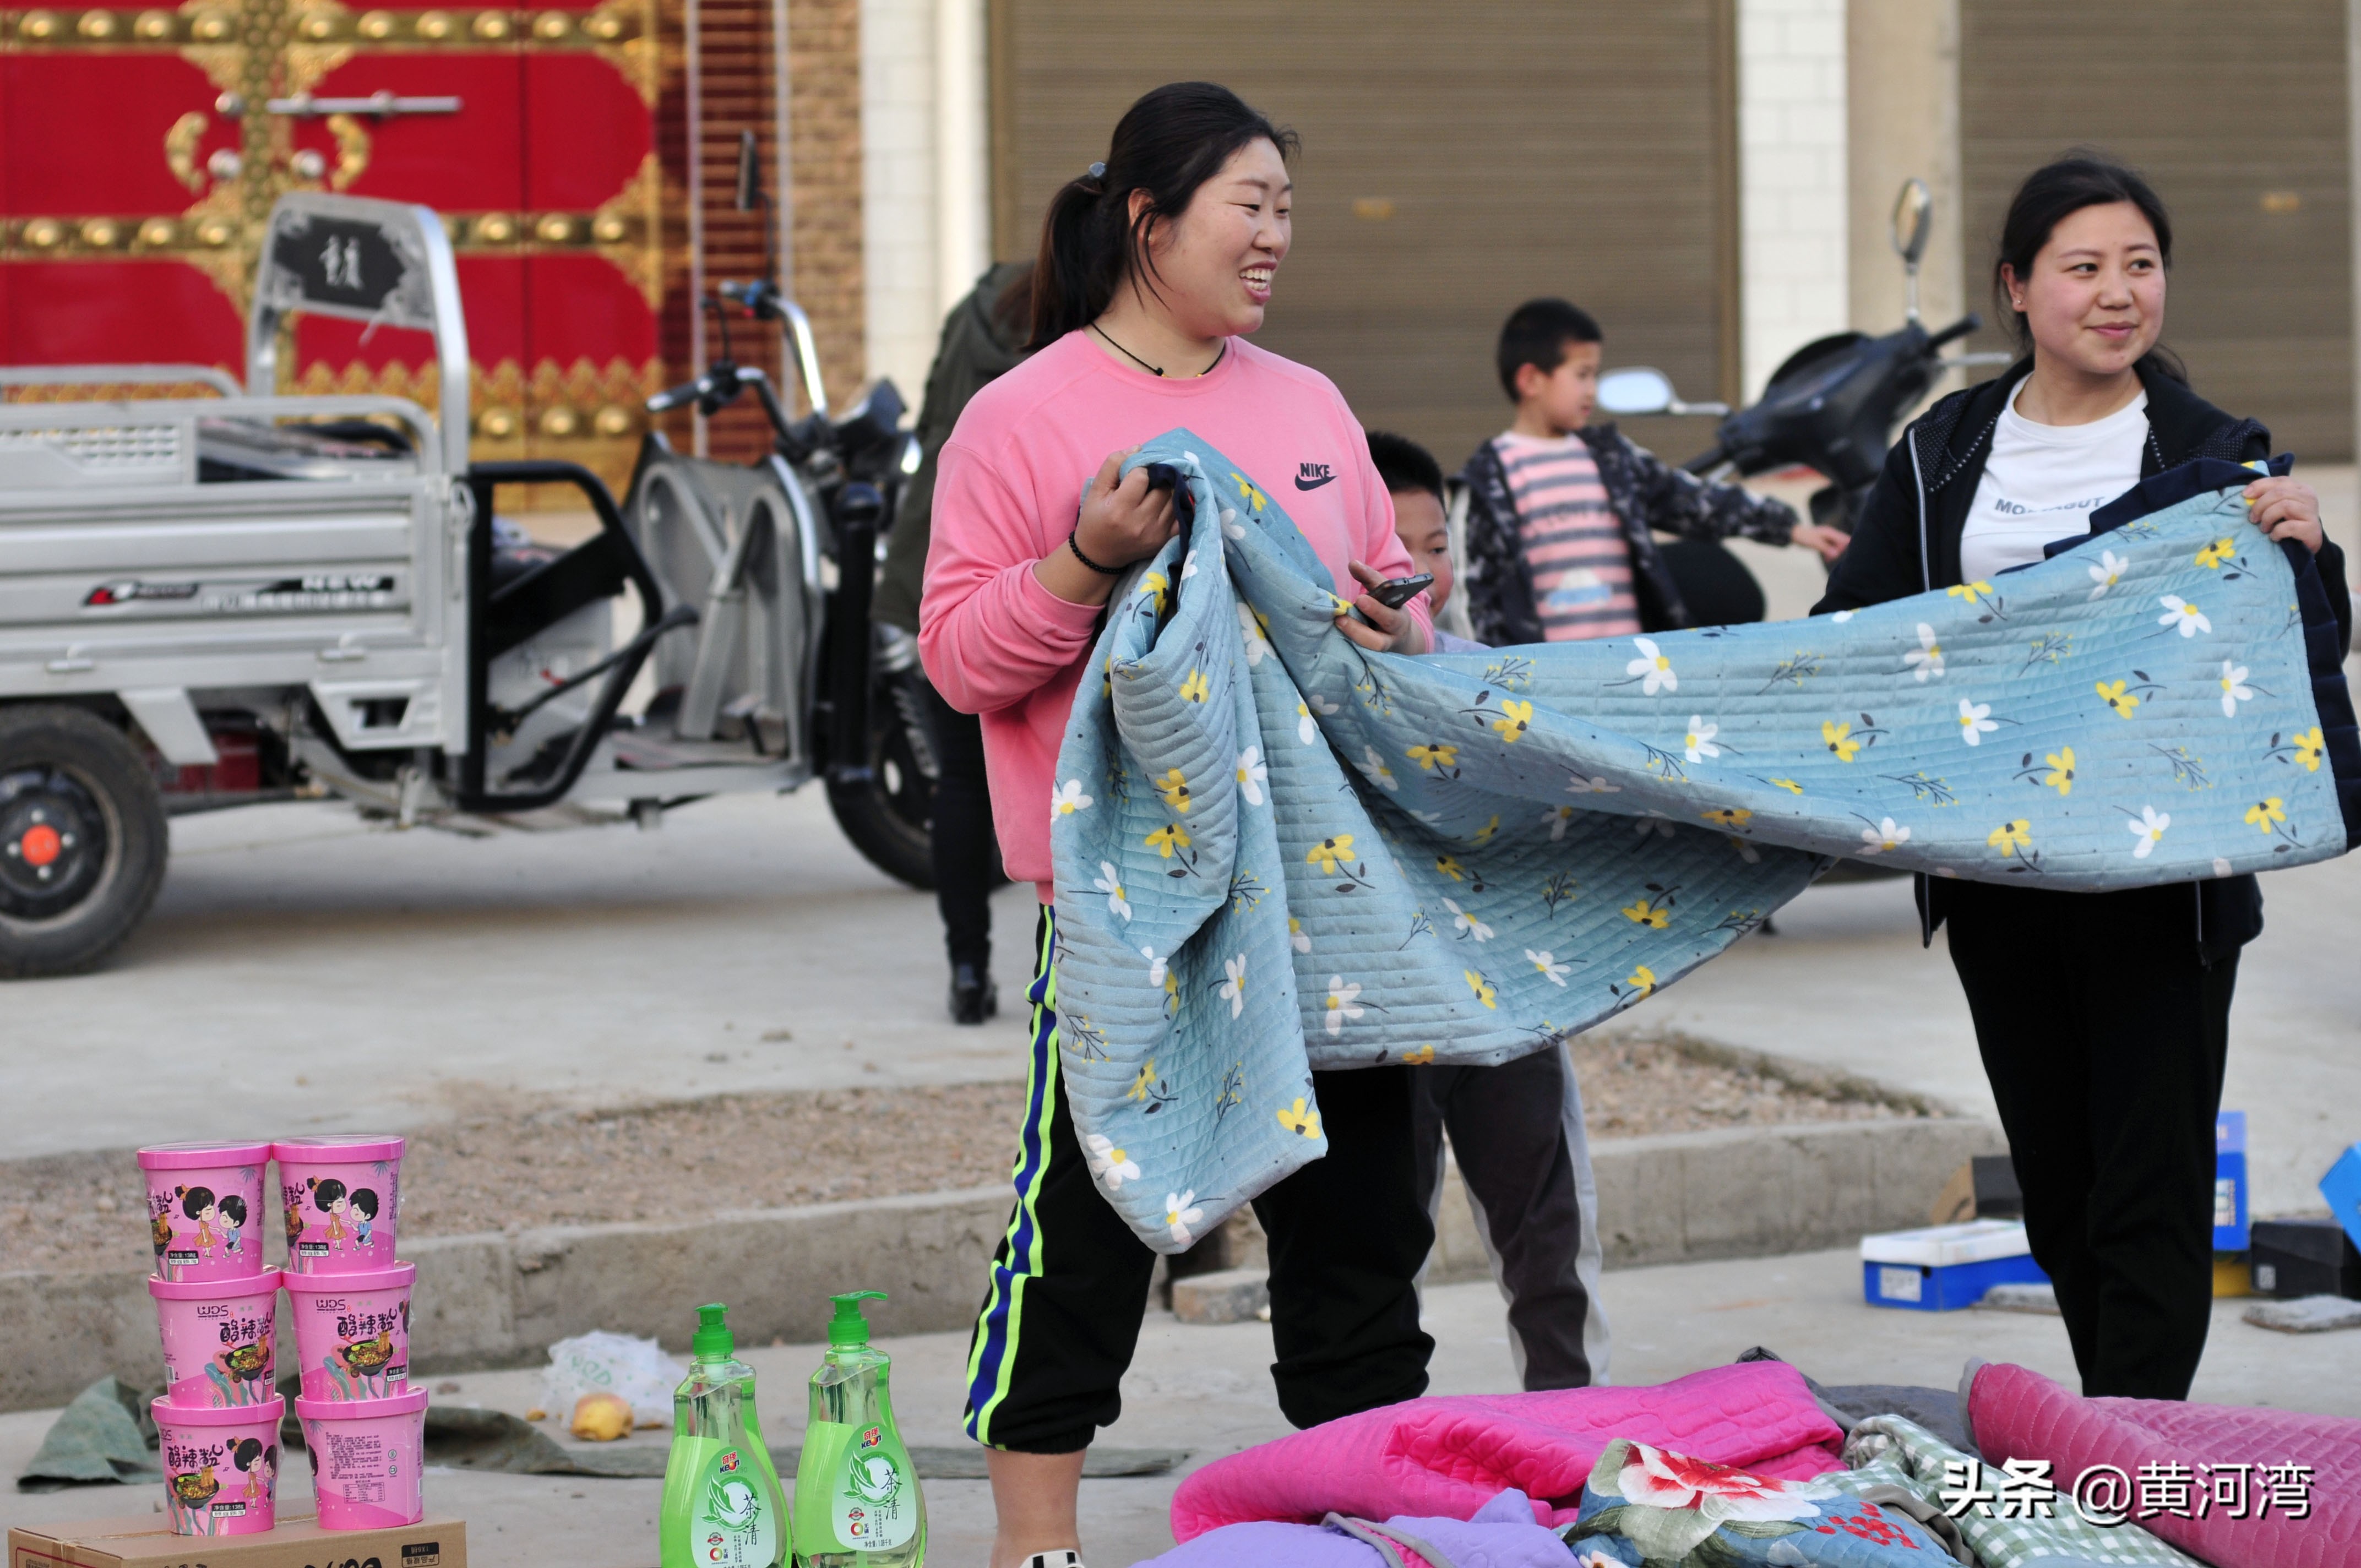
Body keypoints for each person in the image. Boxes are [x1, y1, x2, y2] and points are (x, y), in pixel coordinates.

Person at [920, 81, 1435, 1568]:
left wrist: (1401, 617)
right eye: (1248, 207)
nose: (1276, 237)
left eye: (1287, 209)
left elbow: (1394, 589)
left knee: (1360, 1243)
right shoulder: (1022, 419)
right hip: (1131, 907)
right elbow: (960, 658)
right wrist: (1087, 560)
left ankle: (1358, 1529)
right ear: (1150, 222)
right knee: (1084, 1232)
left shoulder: (1310, 404)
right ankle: (1038, 1547)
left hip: (1333, 893)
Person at [1817, 154, 2351, 1401]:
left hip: (2164, 883)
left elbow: (2286, 651)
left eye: (2139, 265)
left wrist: (2309, 556)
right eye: (2082, 267)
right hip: (2000, 874)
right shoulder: (1939, 451)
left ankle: (2128, 1455)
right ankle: (2111, 1430)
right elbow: (1853, 633)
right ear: (2015, 287)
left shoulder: (2215, 452)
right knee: (2057, 1185)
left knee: (2148, 1183)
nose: (2116, 293)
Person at [1371, 428, 1608, 1390]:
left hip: (1505, 998)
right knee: (1382, 1231)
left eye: (1437, 548)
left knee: (1546, 1227)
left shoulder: (1489, 677)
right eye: (1397, 552)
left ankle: (1570, 1415)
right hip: (1381, 1009)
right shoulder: (1297, 691)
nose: (1423, 574)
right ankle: (1377, 1435)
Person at [1459, 298, 1849, 645]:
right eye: (1582, 375)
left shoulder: (1611, 459)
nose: (1593, 389)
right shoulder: (1489, 482)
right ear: (1530, 380)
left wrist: (1791, 528)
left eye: (1595, 374)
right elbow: (1478, 598)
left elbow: (1691, 499)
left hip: (1630, 670)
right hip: (1547, 686)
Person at [875, 260, 1036, 1023]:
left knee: (963, 787)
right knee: (1077, 789)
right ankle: (1063, 975)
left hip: (938, 561)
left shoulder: (974, 312)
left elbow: (928, 430)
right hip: (1044, 579)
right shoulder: (1093, 332)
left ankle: (968, 972)